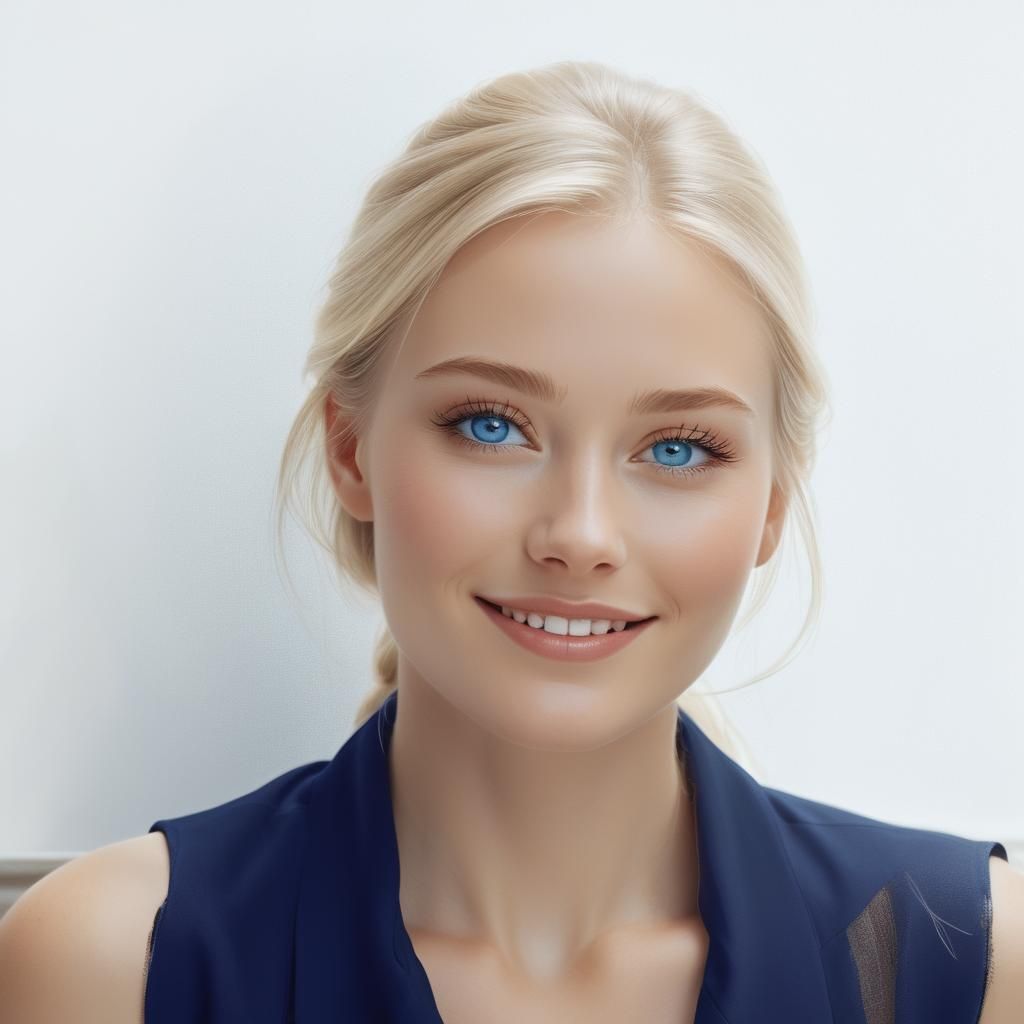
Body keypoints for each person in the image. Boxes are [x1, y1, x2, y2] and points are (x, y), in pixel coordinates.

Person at [1, 59, 1021, 1023]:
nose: (578, 534)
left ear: (770, 506)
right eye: (490, 424)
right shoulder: (111, 966)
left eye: (675, 447)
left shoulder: (963, 962)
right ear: (349, 451)